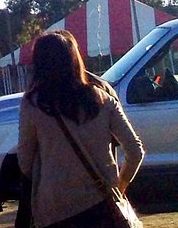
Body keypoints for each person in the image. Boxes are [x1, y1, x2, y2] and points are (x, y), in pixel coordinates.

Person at [18, 30, 144, 228]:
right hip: (101, 203)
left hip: (55, 208)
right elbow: (135, 150)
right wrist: (119, 186)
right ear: (74, 59)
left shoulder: (33, 104)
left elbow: (25, 162)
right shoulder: (103, 99)